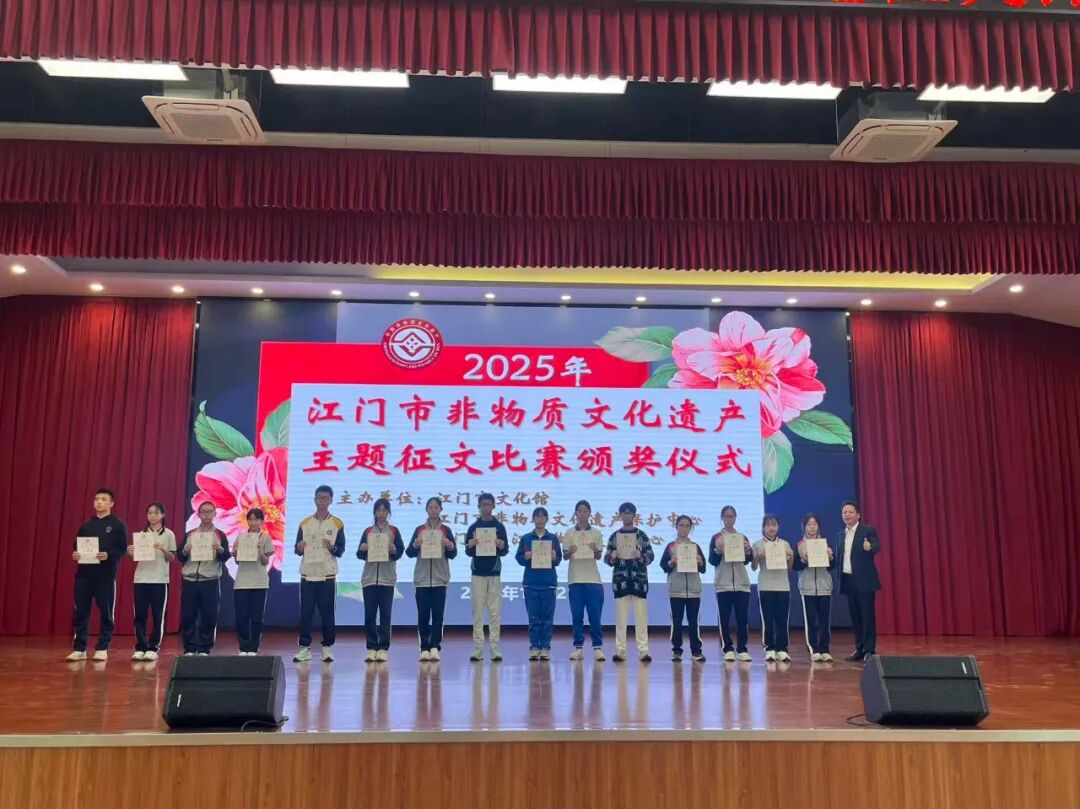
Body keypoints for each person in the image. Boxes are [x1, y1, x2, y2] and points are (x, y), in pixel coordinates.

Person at [67, 488, 128, 662]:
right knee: (81, 612)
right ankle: (80, 648)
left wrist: (108, 555)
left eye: (103, 499)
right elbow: (76, 546)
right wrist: (76, 554)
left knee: (106, 613)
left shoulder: (118, 525)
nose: (99, 502)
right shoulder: (86, 525)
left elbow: (122, 549)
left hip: (105, 576)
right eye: (96, 499)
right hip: (84, 575)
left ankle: (102, 647)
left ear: (111, 503)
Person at [293, 485, 346, 663]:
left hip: (327, 575)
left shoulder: (337, 523)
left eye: (326, 498)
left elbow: (341, 550)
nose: (322, 501)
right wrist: (299, 548)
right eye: (319, 497)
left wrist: (332, 547)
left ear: (331, 500)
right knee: (305, 614)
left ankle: (327, 647)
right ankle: (304, 647)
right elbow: (297, 549)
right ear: (315, 499)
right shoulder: (305, 523)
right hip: (308, 575)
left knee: (327, 613)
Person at [406, 496, 457, 661]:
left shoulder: (446, 530)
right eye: (430, 507)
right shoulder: (420, 530)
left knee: (438, 615)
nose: (433, 510)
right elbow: (409, 553)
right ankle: (424, 647)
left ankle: (435, 646)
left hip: (440, 578)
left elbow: (453, 554)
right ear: (426, 510)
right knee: (422, 615)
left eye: (436, 507)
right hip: (422, 579)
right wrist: (416, 544)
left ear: (441, 509)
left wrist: (450, 545)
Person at [177, 501, 230, 656]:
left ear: (215, 514)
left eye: (209, 512)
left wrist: (220, 550)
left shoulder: (220, 535)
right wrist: (185, 551)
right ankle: (189, 648)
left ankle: (204, 648)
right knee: (188, 616)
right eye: (203, 512)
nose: (206, 515)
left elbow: (226, 557)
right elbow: (180, 557)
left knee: (209, 616)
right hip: (190, 580)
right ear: (198, 514)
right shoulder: (190, 534)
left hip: (210, 580)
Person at [604, 501, 653, 663]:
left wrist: (641, 556)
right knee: (621, 619)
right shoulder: (614, 537)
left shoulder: (641, 536)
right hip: (621, 582)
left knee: (641, 619)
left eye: (630, 513)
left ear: (634, 516)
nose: (627, 515)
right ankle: (621, 651)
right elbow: (607, 559)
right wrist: (612, 557)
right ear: (620, 516)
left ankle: (643, 651)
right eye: (624, 513)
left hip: (639, 582)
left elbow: (650, 556)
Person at [357, 498, 404, 662]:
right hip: (369, 579)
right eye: (378, 510)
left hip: (387, 579)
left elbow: (400, 552)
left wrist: (394, 550)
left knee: (385, 614)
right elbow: (359, 554)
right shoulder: (368, 531)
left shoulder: (394, 531)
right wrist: (363, 549)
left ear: (388, 512)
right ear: (374, 512)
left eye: (384, 510)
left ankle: (383, 648)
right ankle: (371, 647)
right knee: (369, 614)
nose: (381, 513)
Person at [464, 492, 509, 662]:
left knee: (494, 611)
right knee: (477, 611)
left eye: (489, 504)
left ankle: (494, 647)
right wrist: (471, 545)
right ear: (479, 507)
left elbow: (505, 551)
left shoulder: (499, 527)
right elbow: (468, 551)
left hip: (494, 572)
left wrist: (501, 545)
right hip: (477, 573)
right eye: (483, 505)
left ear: (493, 506)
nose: (486, 508)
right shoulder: (473, 528)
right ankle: (478, 648)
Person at [127, 502, 175, 661]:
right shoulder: (141, 535)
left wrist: (162, 549)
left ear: (162, 515)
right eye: (149, 513)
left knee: (157, 615)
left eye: (156, 513)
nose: (152, 516)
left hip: (159, 579)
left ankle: (153, 648)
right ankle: (140, 646)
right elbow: (134, 556)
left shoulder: (169, 534)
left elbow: (172, 557)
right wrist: (130, 551)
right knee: (140, 615)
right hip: (141, 579)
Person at [836, 500, 882, 662]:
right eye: (844, 512)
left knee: (867, 616)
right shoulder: (840, 535)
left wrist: (871, 547)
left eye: (850, 512)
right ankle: (859, 648)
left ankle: (870, 650)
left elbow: (877, 545)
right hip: (848, 580)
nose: (847, 515)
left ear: (858, 515)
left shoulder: (867, 530)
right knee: (855, 617)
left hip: (865, 581)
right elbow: (840, 558)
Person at [516, 506, 563, 661]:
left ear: (547, 519)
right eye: (537, 516)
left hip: (548, 583)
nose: (540, 519)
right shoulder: (526, 538)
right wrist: (526, 557)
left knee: (547, 619)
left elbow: (559, 560)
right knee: (533, 618)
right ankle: (534, 647)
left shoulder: (553, 538)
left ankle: (546, 648)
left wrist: (554, 557)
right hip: (531, 584)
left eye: (543, 516)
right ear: (533, 519)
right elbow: (519, 558)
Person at [658, 515, 707, 662]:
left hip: (694, 590)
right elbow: (663, 566)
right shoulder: (671, 546)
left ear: (691, 528)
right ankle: (676, 651)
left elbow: (703, 568)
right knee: (676, 622)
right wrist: (671, 563)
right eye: (681, 525)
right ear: (676, 527)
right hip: (676, 589)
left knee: (694, 622)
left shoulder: (695, 547)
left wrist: (700, 562)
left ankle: (696, 651)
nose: (684, 528)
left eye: (687, 526)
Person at [709, 505, 753, 662]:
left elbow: (747, 561)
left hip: (742, 584)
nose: (729, 519)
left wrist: (748, 551)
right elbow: (712, 561)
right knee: (724, 618)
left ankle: (742, 649)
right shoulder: (716, 538)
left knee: (742, 618)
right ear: (722, 518)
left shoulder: (742, 537)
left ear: (735, 518)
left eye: (732, 516)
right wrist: (718, 552)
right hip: (723, 584)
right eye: (726, 516)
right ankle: (727, 648)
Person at [563, 499, 605, 661]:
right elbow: (565, 556)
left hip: (593, 580)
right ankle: (578, 648)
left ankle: (598, 648)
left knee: (595, 616)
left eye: (585, 511)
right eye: (579, 511)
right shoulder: (569, 533)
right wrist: (570, 552)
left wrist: (595, 550)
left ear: (589, 513)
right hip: (575, 579)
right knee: (577, 616)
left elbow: (599, 556)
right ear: (576, 513)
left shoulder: (596, 533)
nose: (582, 514)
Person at [232, 508, 275, 655]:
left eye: (256, 519)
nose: (253, 522)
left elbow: (265, 561)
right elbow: (238, 561)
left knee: (257, 617)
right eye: (250, 519)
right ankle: (243, 647)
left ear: (262, 521)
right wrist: (236, 553)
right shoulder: (241, 537)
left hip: (259, 582)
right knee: (241, 617)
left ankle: (253, 647)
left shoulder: (265, 538)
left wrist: (260, 550)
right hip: (242, 582)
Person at [752, 513, 794, 662]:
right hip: (765, 586)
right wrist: (758, 556)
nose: (771, 528)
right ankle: (769, 648)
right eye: (768, 525)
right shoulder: (757, 544)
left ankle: (782, 648)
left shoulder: (785, 544)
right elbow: (754, 567)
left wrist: (791, 556)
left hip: (783, 586)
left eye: (774, 525)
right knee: (767, 620)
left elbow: (789, 569)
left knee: (782, 619)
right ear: (763, 527)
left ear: (778, 527)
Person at [794, 513, 835, 662]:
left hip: (824, 586)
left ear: (819, 526)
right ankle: (814, 649)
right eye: (809, 524)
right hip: (807, 587)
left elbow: (832, 566)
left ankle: (825, 649)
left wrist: (830, 557)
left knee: (824, 621)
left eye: (815, 524)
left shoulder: (826, 543)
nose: (812, 527)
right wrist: (803, 560)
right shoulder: (800, 545)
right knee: (810, 621)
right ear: (804, 527)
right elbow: (795, 566)